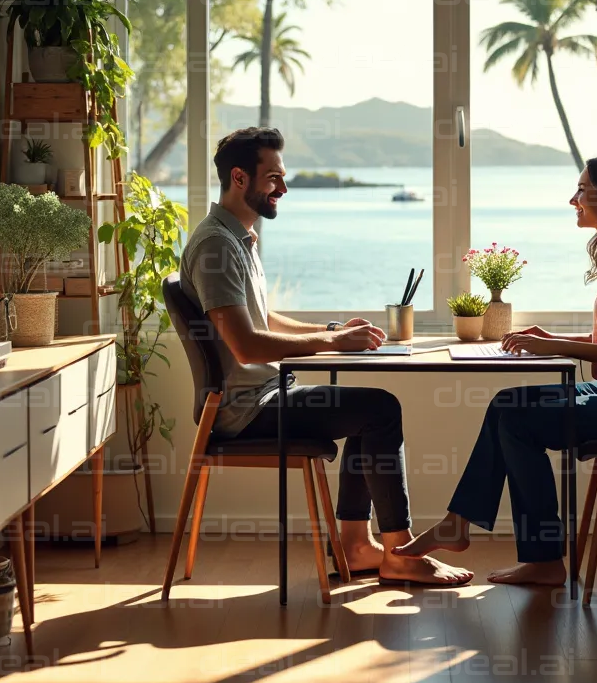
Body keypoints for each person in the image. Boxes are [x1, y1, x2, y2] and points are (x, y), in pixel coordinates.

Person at [180, 126, 472, 587]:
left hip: (264, 394)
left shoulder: (237, 237)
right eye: (273, 177)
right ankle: (400, 551)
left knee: (367, 409)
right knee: (379, 408)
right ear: (239, 178)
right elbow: (247, 344)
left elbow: (261, 318)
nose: (284, 188)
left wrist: (331, 330)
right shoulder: (216, 244)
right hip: (245, 411)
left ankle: (358, 548)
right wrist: (332, 345)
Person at [394, 153, 597, 586]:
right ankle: (460, 524)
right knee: (507, 404)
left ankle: (542, 558)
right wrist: (549, 337)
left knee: (517, 419)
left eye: (583, 191)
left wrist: (549, 345)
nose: (574, 199)